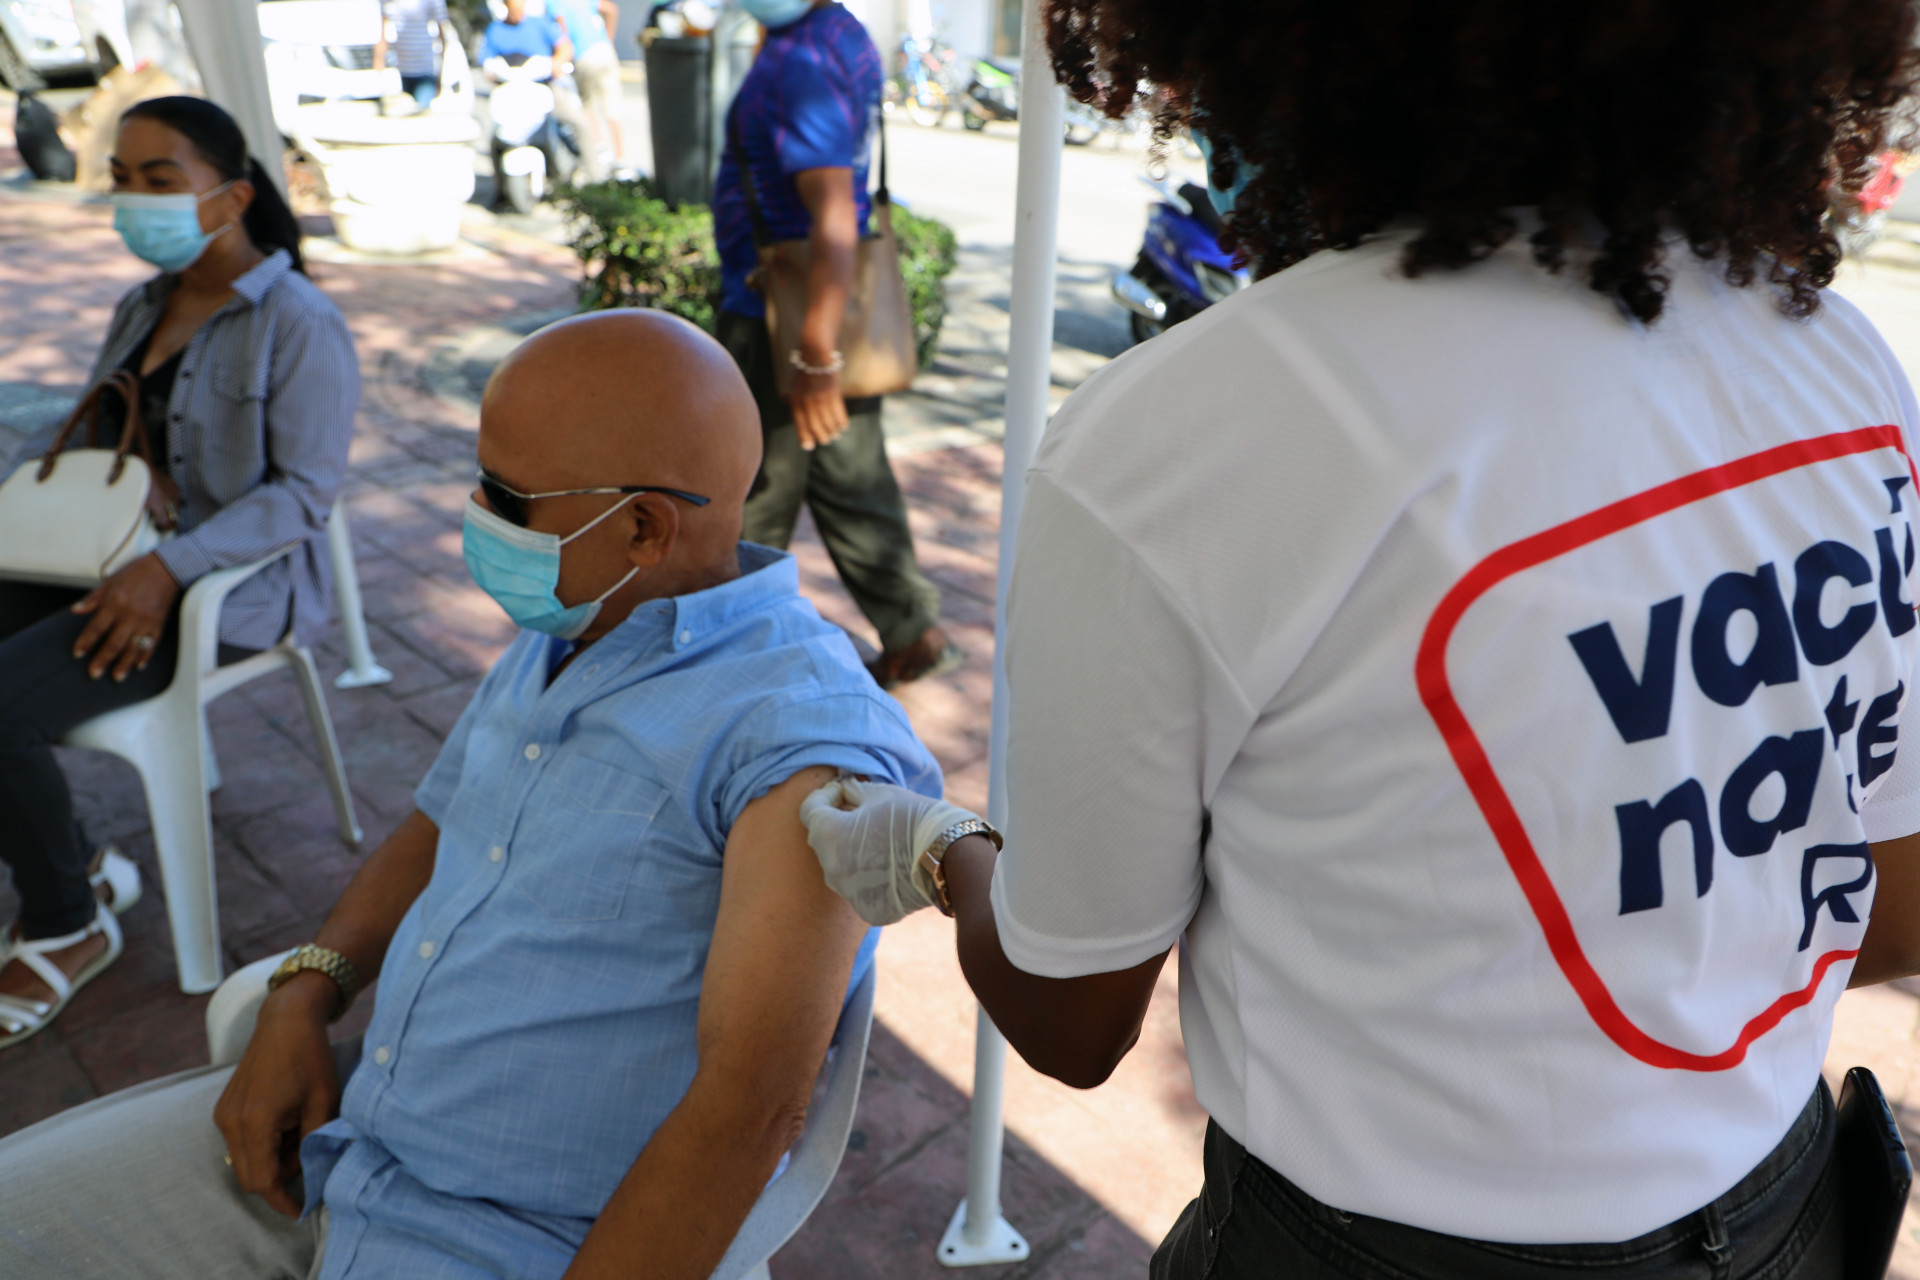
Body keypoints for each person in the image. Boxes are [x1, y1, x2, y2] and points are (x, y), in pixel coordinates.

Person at [801, 3, 1920, 1277]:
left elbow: (1072, 1014)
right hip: (1789, 1215)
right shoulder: (1838, 363)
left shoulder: (1189, 431)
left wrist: (940, 850)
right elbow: (1895, 905)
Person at [0, 310, 941, 1280]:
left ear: (643, 526)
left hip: (515, 1233)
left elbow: (750, 1107)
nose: (477, 515)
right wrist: (305, 990)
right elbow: (440, 821)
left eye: (506, 497)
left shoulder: (794, 739)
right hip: (345, 1136)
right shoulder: (580, 620)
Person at [0, 96, 356, 1051]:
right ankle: (80, 865)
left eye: (161, 180)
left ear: (232, 197)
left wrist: (171, 567)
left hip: (222, 596)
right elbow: (92, 422)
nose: (135, 199)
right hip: (109, 555)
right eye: (122, 179)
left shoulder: (297, 321)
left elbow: (305, 495)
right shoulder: (143, 304)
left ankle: (69, 922)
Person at [712, 0, 956, 690]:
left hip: (783, 320)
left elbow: (833, 215)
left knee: (751, 498)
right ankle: (910, 628)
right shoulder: (834, 32)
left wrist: (815, 353)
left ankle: (731, 665)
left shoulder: (803, 62)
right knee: (851, 477)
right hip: (812, 312)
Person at [547, 0, 626, 174]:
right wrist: (609, 40)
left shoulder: (554, 3)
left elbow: (562, 33)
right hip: (604, 50)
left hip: (583, 55)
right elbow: (611, 10)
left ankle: (599, 149)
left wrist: (563, 57)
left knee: (587, 105)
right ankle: (620, 158)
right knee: (612, 106)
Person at [372, 0, 458, 111]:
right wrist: (379, 76)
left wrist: (441, 76)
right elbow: (382, 39)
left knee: (422, 112)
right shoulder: (387, 2)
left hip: (425, 71)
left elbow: (442, 37)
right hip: (402, 71)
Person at [479, 0, 573, 81]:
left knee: (562, 91)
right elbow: (486, 59)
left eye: (519, 8)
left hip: (542, 80)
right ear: (506, 5)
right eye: (513, 9)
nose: (517, 13)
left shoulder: (539, 23)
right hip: (508, 83)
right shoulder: (495, 29)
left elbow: (565, 46)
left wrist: (557, 62)